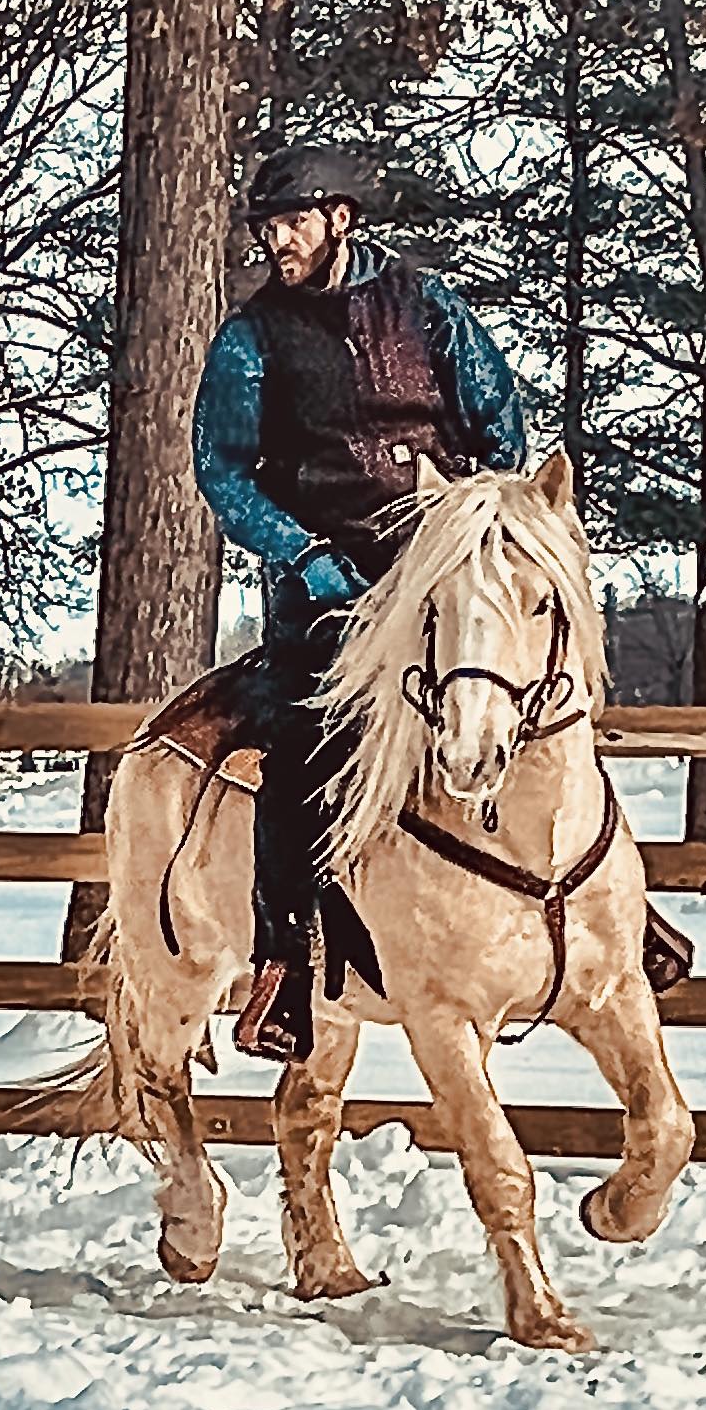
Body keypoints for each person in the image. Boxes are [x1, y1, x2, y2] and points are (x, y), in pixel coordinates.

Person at [192, 142, 527, 1061]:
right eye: (266, 227)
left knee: (532, 683)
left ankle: (609, 901)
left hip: (440, 563)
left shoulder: (430, 310)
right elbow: (219, 468)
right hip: (327, 580)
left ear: (339, 218)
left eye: (291, 222)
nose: (275, 242)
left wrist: (479, 524)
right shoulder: (250, 338)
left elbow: (500, 423)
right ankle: (284, 963)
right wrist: (302, 551)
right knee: (302, 741)